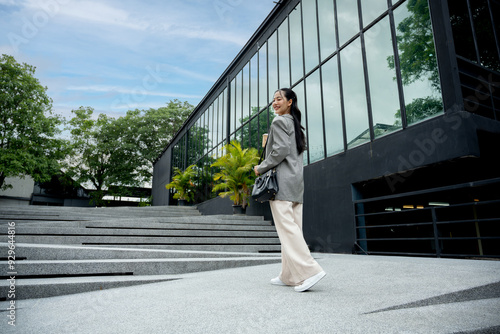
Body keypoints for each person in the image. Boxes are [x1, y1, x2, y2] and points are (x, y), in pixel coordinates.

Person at [254, 88, 326, 292]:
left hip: (281, 183)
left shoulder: (278, 122)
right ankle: (288, 275)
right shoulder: (295, 125)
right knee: (292, 229)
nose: (275, 103)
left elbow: (281, 151)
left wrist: (261, 167)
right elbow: (290, 151)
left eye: (279, 99)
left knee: (287, 229)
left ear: (290, 102)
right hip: (296, 183)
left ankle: (310, 271)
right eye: (273, 100)